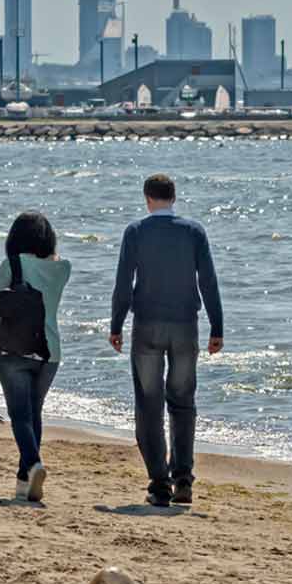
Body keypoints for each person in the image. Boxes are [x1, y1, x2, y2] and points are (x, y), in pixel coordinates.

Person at [109, 174, 223, 507]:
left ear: (147, 198)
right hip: (185, 326)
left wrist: (116, 324)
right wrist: (218, 326)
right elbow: (209, 282)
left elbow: (123, 284)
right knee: (183, 402)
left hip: (146, 326)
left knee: (148, 404)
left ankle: (159, 483)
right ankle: (183, 479)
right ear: (174, 197)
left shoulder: (135, 232)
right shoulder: (193, 231)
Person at [0, 211, 72, 502]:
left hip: (13, 349)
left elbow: (0, 311)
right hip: (49, 352)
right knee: (34, 412)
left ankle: (33, 464)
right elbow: (52, 265)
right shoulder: (63, 269)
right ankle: (24, 482)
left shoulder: (12, 264)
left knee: (20, 414)